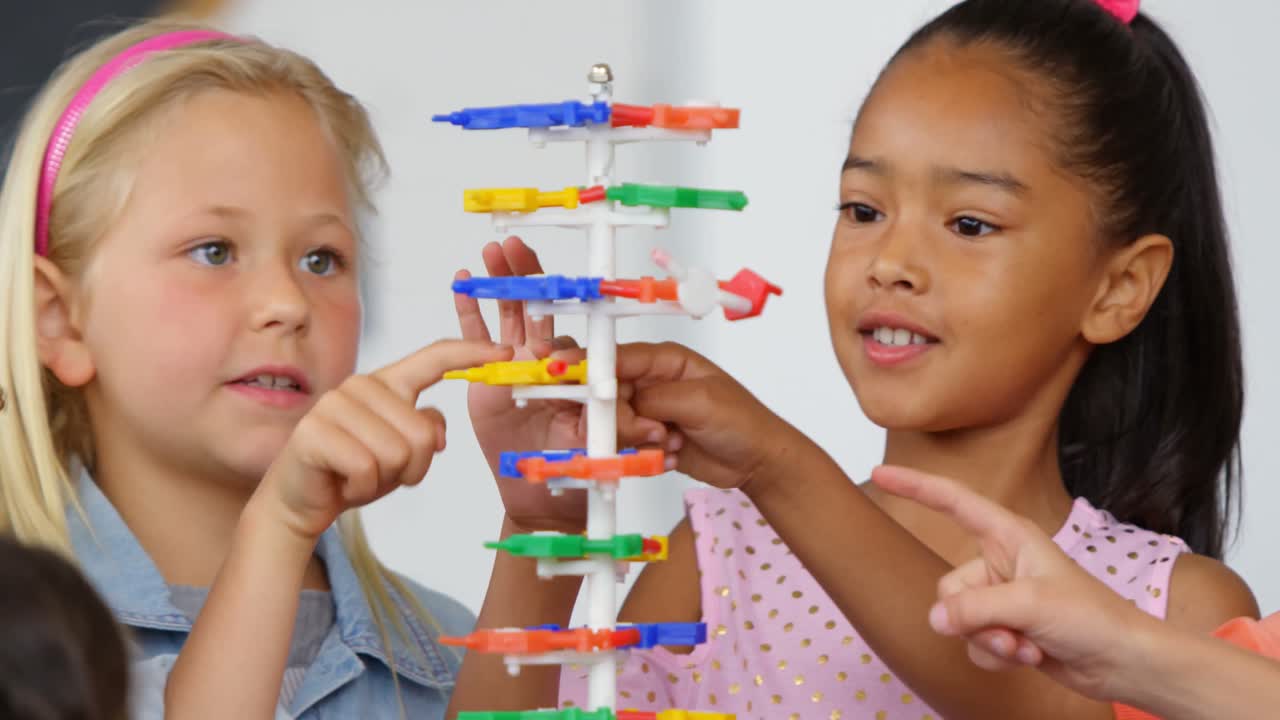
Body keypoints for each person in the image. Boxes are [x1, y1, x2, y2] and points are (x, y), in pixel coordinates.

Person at [448, 0, 1258, 717]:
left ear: (1118, 288)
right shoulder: (726, 557)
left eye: (970, 223)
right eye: (864, 209)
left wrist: (778, 464)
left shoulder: (1173, 607)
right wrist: (541, 524)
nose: (889, 261)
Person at [0, 18, 509, 718]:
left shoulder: (450, 653)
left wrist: (547, 524)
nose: (286, 303)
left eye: (321, 259)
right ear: (58, 320)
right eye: (214, 250)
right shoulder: (19, 650)